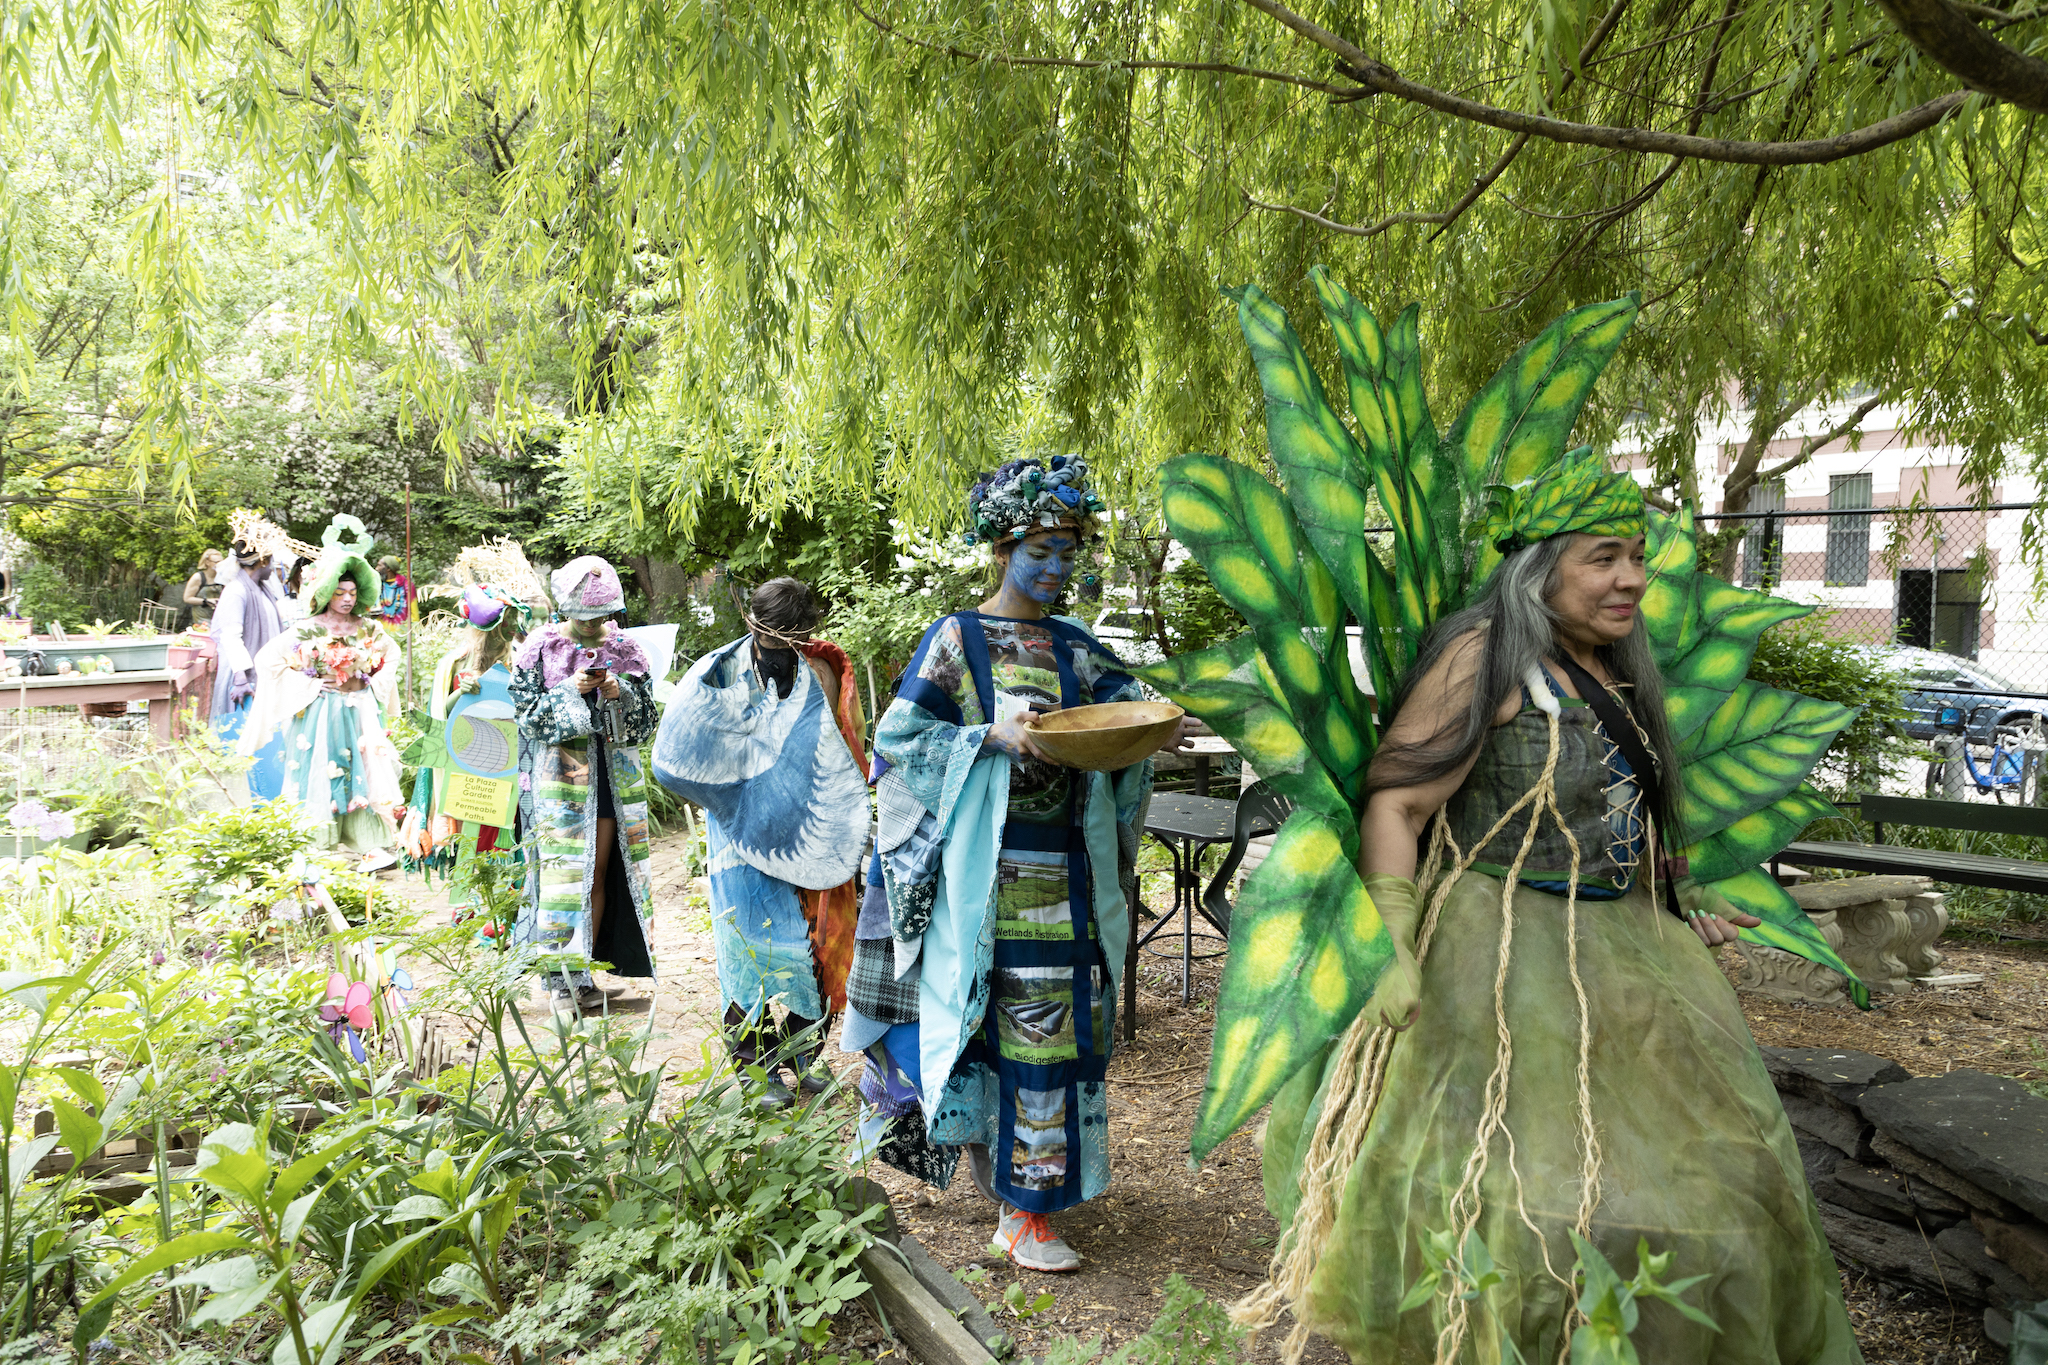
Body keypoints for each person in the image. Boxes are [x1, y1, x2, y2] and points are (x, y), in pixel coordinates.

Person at [1258, 452, 1860, 1361]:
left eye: (1638, 557)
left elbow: (1619, 811)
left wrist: (1675, 897)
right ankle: (1500, 1337)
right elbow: (1400, 802)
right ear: (1542, 570)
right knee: (1507, 1185)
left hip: (1627, 956)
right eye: (1604, 557)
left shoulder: (1620, 670)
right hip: (1494, 953)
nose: (1630, 579)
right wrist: (1392, 938)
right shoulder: (1487, 656)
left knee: (1719, 1175)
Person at [850, 455, 1189, 1274]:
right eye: (1041, 549)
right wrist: (983, 738)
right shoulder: (957, 639)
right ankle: (1023, 1212)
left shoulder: (1078, 647)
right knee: (1008, 1039)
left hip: (1070, 878)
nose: (1056, 568)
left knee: (1057, 1039)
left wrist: (1159, 731)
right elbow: (896, 742)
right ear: (1000, 547)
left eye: (1069, 552)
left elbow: (1128, 714)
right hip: (987, 881)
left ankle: (1022, 1194)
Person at [650, 578, 868, 1105]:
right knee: (747, 951)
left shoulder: (818, 669)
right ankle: (756, 1072)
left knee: (816, 948)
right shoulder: (717, 676)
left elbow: (838, 745)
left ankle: (801, 1059)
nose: (786, 642)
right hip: (738, 837)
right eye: (782, 632)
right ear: (756, 622)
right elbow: (676, 757)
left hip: (811, 828)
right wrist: (736, 795)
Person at [510, 555, 660, 1014]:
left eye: (604, 615)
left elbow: (647, 720)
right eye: (587, 616)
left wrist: (623, 694)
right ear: (566, 610)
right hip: (559, 778)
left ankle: (585, 973)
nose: (596, 625)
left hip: (615, 778)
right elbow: (526, 717)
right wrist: (568, 692)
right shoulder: (540, 647)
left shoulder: (627, 647)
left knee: (599, 871)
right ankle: (560, 982)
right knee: (559, 877)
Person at [241, 515, 405, 870]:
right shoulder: (306, 630)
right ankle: (317, 849)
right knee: (319, 772)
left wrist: (372, 683)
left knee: (364, 769)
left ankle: (371, 845)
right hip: (320, 713)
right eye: (339, 592)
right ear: (325, 592)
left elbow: (392, 655)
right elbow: (268, 659)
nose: (347, 600)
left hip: (360, 711)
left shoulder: (369, 629)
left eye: (352, 593)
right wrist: (311, 684)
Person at [210, 538, 289, 801]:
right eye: (272, 560)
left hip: (265, 677)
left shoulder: (261, 588)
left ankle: (268, 797)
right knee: (245, 737)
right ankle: (249, 798)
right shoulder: (236, 591)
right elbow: (231, 636)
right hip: (246, 680)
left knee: (267, 739)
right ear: (263, 561)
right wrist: (241, 677)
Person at [182, 549, 223, 627]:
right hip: (201, 621)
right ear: (207, 562)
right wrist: (206, 601)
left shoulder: (223, 578)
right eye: (216, 562)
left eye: (221, 561)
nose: (219, 564)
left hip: (219, 619)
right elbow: (187, 598)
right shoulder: (198, 577)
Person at [374, 555, 414, 626]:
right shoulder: (377, 585)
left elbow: (414, 613)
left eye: (379, 565)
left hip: (401, 633)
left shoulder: (407, 586)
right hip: (380, 632)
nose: (376, 568)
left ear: (388, 568)